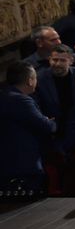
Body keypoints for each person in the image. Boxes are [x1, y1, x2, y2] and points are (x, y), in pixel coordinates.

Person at [0, 61, 55, 191]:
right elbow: (45, 126)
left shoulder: (4, 96)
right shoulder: (22, 101)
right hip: (23, 164)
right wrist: (51, 121)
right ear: (30, 81)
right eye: (35, 78)